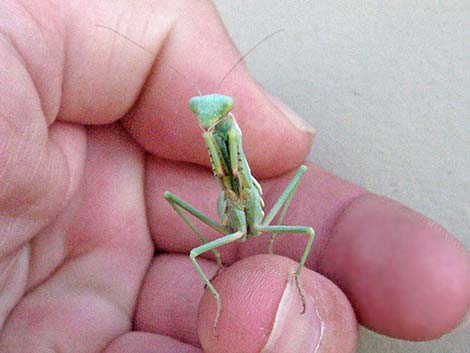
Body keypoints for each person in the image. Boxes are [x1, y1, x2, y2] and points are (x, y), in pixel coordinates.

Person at [0, 1, 468, 352]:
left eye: (215, 121)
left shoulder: (237, 138)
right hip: (223, 229)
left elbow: (246, 170)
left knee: (302, 228)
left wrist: (298, 279)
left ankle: (288, 285)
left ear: (226, 119)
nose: (210, 127)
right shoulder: (209, 142)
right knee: (173, 200)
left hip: (258, 219)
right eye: (205, 122)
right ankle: (223, 289)